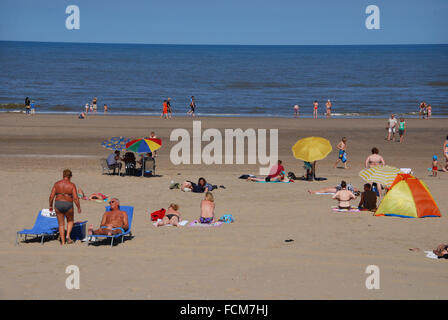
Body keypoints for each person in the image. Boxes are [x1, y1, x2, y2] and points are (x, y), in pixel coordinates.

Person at [48, 169, 81, 245]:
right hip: (68, 204)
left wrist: (50, 205)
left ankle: (62, 242)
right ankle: (68, 235)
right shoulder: (72, 185)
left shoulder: (56, 184)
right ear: (71, 176)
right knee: (70, 221)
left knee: (61, 224)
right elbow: (75, 198)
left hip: (58, 204)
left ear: (63, 176)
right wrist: (78, 207)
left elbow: (51, 196)